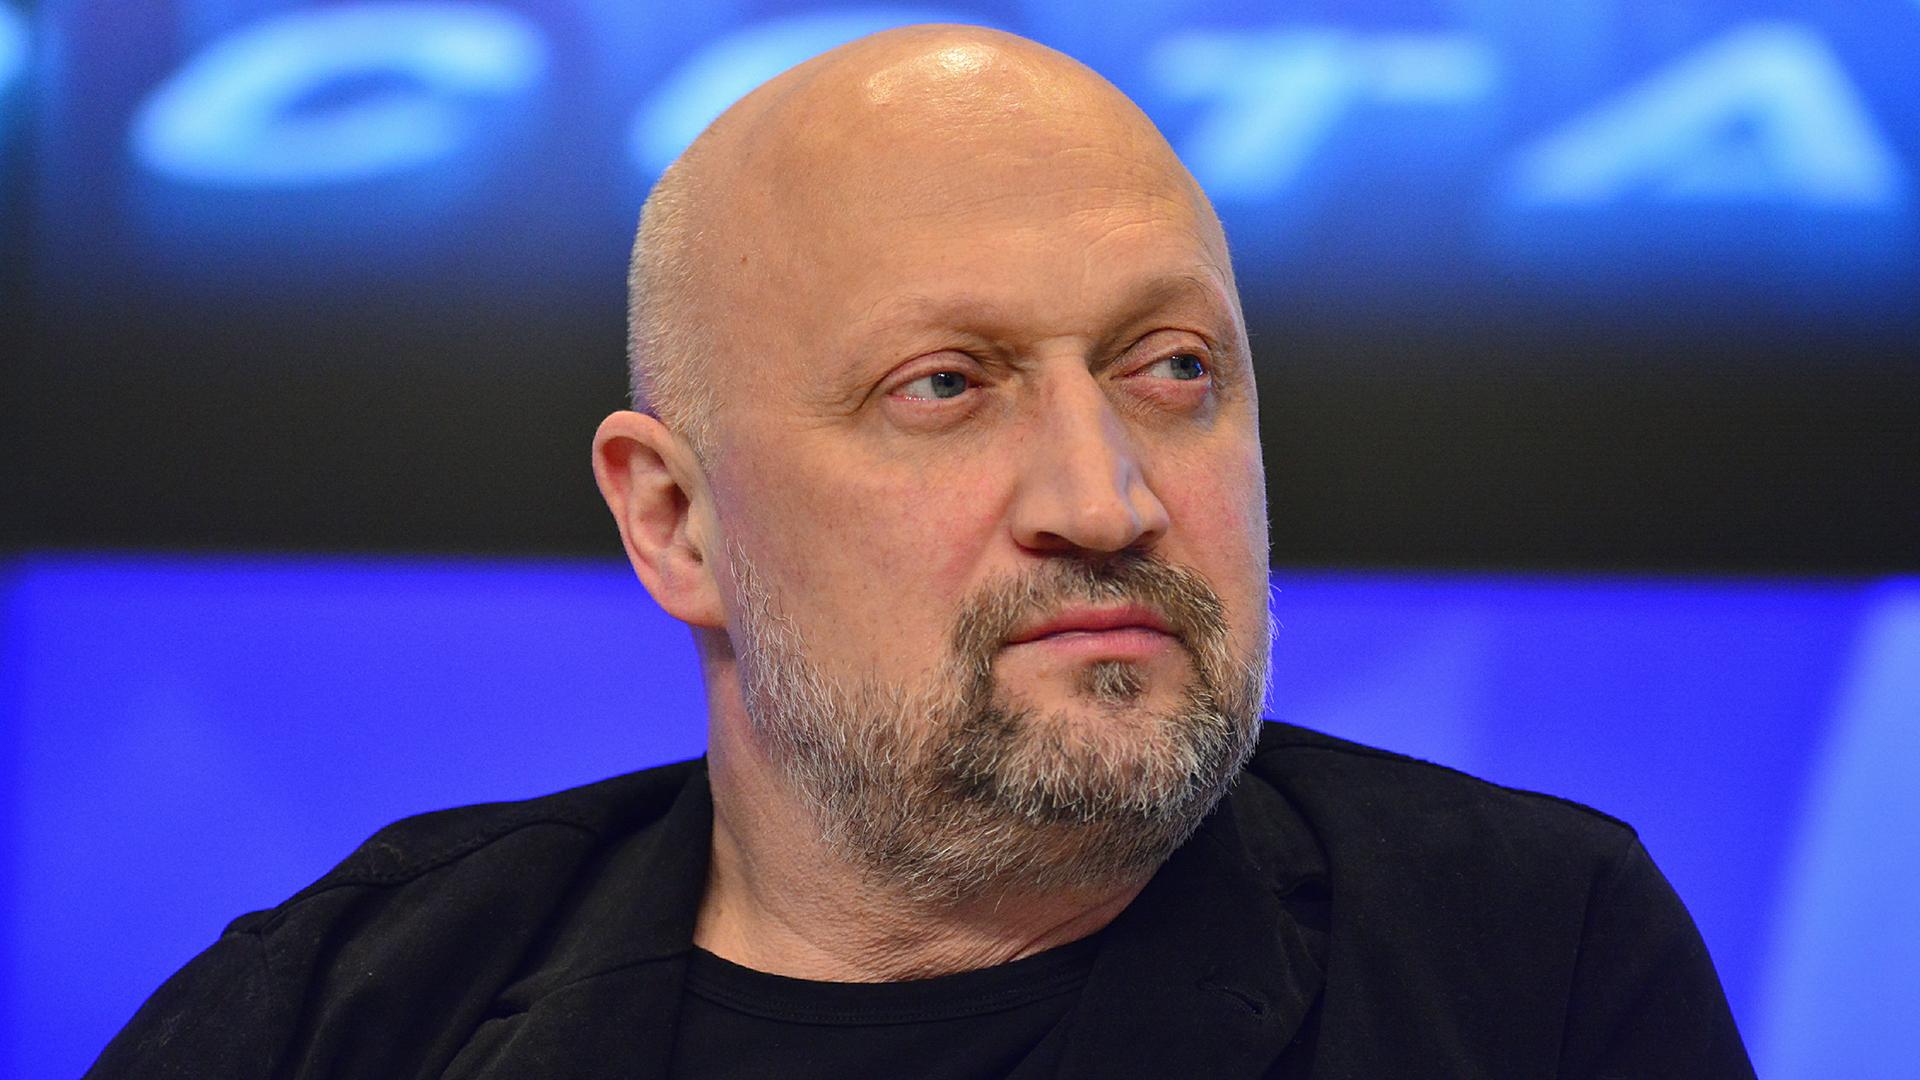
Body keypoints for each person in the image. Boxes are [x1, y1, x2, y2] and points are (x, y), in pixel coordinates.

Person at [89, 25, 1753, 1078]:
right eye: (944, 386)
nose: (1105, 498)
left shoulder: (1528, 962)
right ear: (674, 521)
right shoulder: (337, 1020)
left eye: (1172, 369)